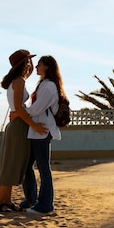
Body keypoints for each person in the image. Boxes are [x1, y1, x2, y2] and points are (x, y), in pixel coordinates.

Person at [0, 49, 48, 212]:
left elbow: (18, 107)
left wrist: (27, 74)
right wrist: (35, 125)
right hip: (19, 126)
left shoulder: (17, 80)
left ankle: (4, 201)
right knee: (13, 163)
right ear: (24, 62)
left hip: (16, 125)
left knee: (12, 162)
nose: (31, 63)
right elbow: (20, 109)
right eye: (29, 60)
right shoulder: (19, 82)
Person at [20, 55, 65, 214]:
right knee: (27, 166)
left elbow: (35, 109)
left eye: (39, 65)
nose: (36, 67)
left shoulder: (49, 86)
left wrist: (20, 111)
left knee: (43, 168)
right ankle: (31, 200)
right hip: (36, 131)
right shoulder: (44, 84)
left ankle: (45, 205)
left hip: (43, 131)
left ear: (47, 66)